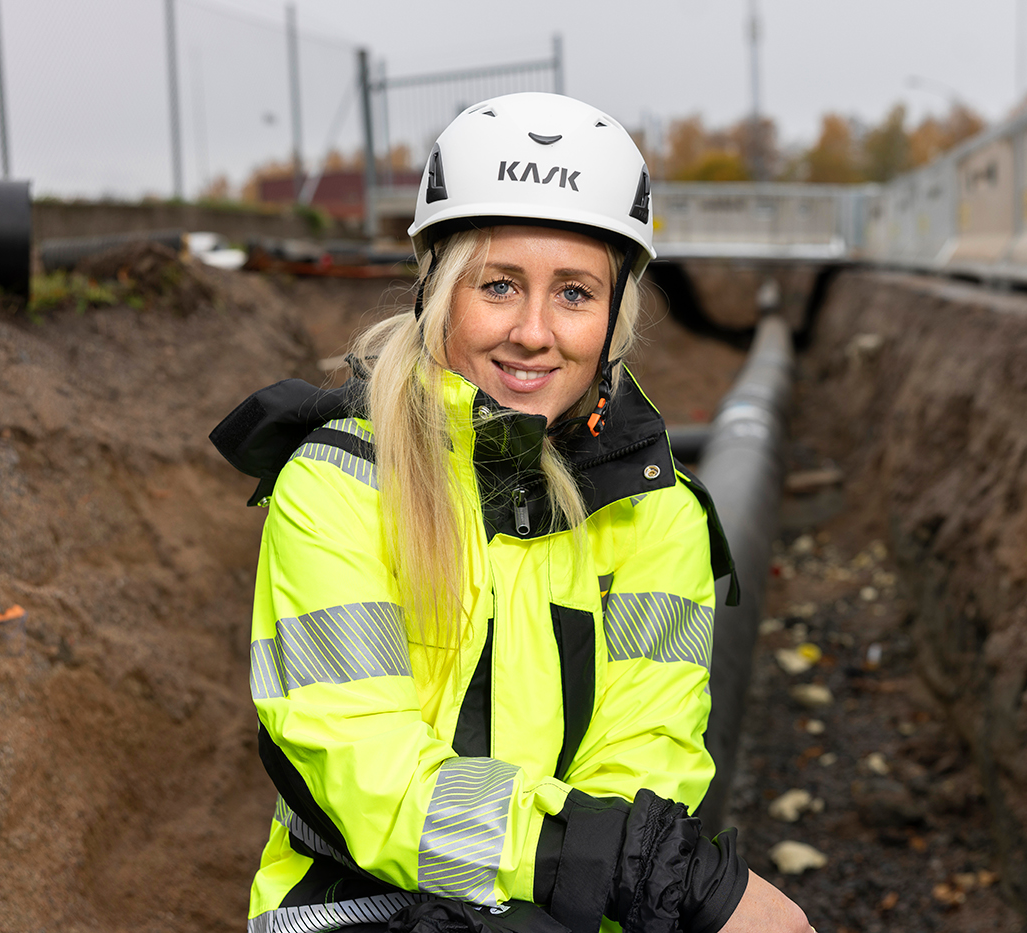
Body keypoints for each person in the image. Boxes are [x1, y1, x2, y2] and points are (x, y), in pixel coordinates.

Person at [213, 92, 810, 933]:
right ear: (441, 292)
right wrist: (653, 875)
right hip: (357, 910)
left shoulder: (659, 512)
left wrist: (577, 893)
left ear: (612, 319)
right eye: (499, 285)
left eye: (573, 293)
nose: (534, 331)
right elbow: (366, 769)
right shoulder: (339, 485)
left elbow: (648, 759)